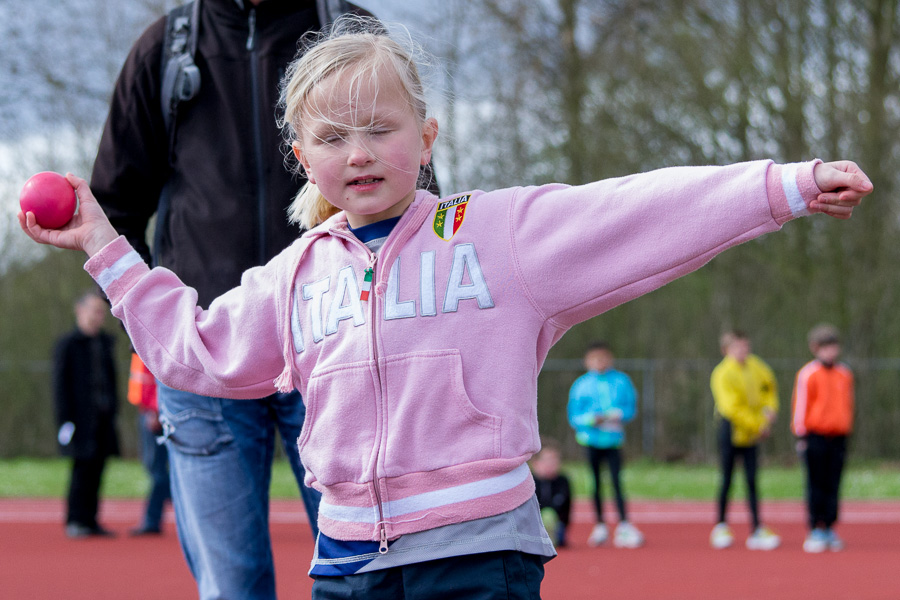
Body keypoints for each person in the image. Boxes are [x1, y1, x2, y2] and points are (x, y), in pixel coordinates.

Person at [20, 16, 872, 598]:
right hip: (347, 564)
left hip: (478, 557)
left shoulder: (495, 236)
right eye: (332, 138)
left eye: (382, 129)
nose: (360, 153)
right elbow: (198, 353)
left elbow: (638, 213)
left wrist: (783, 187)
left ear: (426, 138)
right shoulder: (297, 273)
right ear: (301, 159)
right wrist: (105, 244)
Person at [88, 1, 373, 597]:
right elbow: (114, 209)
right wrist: (163, 332)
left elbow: (410, 186)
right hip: (204, 360)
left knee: (370, 573)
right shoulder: (165, 49)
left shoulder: (348, 28)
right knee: (232, 587)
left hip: (336, 351)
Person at [52, 289, 120, 539]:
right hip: (78, 419)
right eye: (93, 310)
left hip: (102, 418)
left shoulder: (105, 342)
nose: (98, 316)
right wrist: (65, 421)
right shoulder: (68, 344)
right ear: (79, 310)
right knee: (81, 468)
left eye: (101, 312)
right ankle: (75, 519)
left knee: (99, 468)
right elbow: (60, 385)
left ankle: (91, 520)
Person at [709, 330, 781, 550]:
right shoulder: (722, 373)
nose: (743, 351)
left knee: (752, 480)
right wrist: (758, 424)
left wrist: (769, 412)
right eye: (737, 347)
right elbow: (731, 408)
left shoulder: (757, 366)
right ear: (726, 350)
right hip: (731, 430)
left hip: (752, 433)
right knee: (727, 479)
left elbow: (769, 389)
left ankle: (757, 527)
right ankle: (721, 525)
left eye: (745, 346)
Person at [567, 341, 643, 548]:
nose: (600, 362)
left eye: (603, 357)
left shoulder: (621, 381)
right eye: (595, 358)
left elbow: (630, 409)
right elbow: (574, 416)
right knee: (595, 483)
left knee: (617, 482)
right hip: (591, 441)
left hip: (613, 440)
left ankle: (624, 524)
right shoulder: (581, 385)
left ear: (610, 358)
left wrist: (618, 415)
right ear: (587, 361)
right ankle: (599, 524)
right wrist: (591, 419)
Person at [792, 324, 854, 553]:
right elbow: (801, 406)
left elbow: (847, 405)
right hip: (814, 436)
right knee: (815, 483)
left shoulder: (844, 374)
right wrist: (801, 434)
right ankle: (814, 528)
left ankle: (829, 526)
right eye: (825, 348)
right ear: (815, 348)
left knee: (833, 483)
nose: (830, 352)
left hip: (838, 436)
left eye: (833, 347)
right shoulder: (808, 374)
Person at [126, 352, 170, 536]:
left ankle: (152, 519)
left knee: (156, 469)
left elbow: (158, 378)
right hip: (146, 410)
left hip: (153, 414)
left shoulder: (149, 342)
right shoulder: (139, 344)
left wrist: (155, 410)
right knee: (153, 466)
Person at [530, 439, 572, 548]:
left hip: (557, 525)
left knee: (549, 515)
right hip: (533, 526)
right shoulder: (529, 482)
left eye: (555, 460)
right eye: (548, 460)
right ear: (535, 463)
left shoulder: (562, 481)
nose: (552, 464)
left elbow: (565, 507)